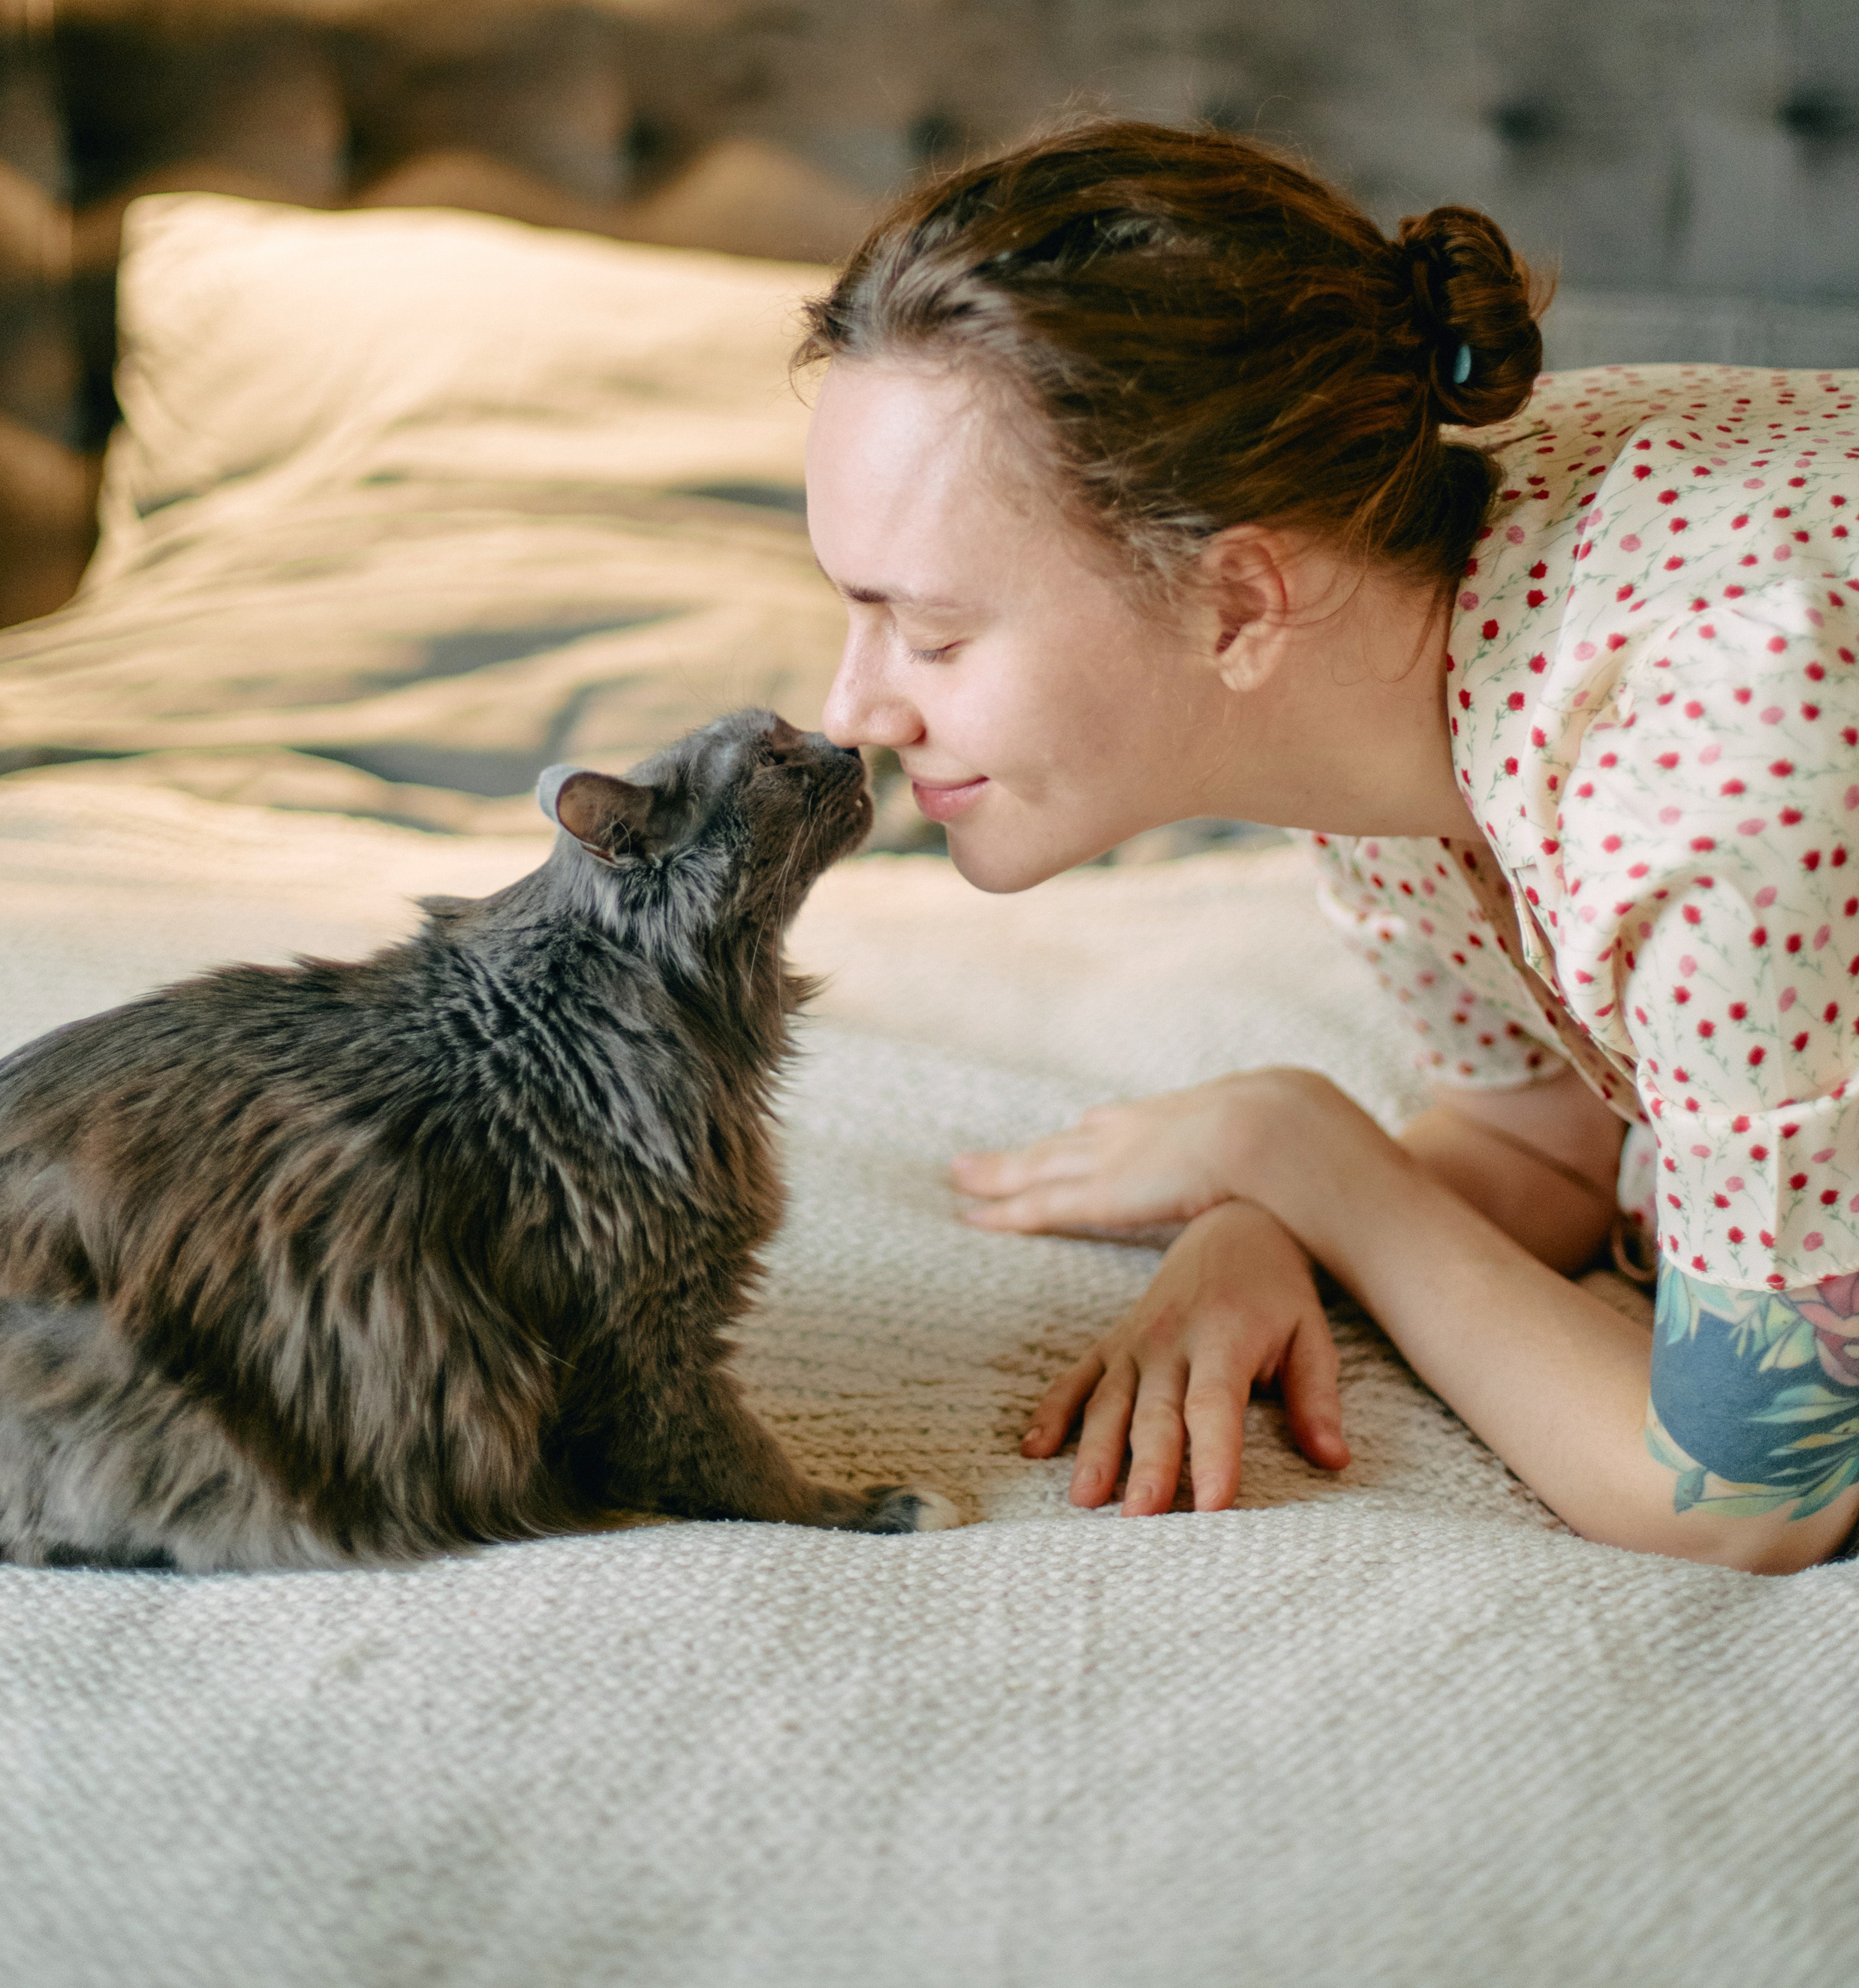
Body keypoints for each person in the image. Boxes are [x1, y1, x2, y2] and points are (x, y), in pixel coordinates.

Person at [797, 119, 1859, 1575]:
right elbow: (1536, 1136)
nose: (849, 708)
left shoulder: (1702, 765)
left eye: (929, 631)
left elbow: (1751, 1502)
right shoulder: (1386, 602)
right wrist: (1266, 1230)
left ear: (1237, 603)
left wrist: (1303, 1152)